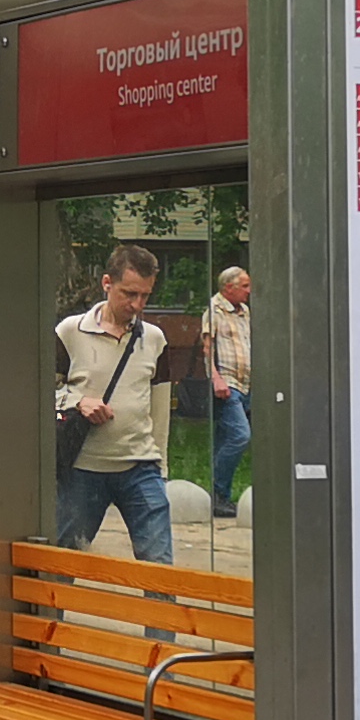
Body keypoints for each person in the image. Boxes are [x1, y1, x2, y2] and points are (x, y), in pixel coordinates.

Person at [54, 242, 174, 565]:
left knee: (160, 567)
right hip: (84, 468)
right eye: (129, 294)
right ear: (107, 284)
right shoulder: (70, 332)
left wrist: (161, 469)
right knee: (62, 564)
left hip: (141, 467)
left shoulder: (155, 339)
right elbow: (40, 391)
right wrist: (79, 401)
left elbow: (160, 410)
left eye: (145, 296)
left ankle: (160, 617)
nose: (137, 304)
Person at [203, 266, 253, 510]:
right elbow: (207, 349)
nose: (249, 291)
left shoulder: (244, 312)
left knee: (225, 440)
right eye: (244, 286)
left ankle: (218, 498)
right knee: (240, 436)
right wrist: (216, 379)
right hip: (228, 385)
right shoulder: (214, 311)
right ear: (228, 288)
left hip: (247, 385)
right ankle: (219, 492)